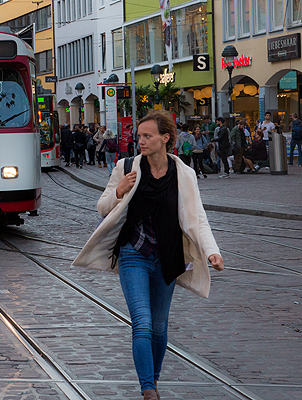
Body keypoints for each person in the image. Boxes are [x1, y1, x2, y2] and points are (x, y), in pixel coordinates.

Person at [72, 111, 224, 400]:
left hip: (167, 257)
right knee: (141, 321)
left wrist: (212, 252)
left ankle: (152, 378)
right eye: (139, 135)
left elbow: (198, 218)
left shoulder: (184, 174)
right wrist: (119, 190)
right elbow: (102, 206)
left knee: (159, 326)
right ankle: (148, 389)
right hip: (134, 254)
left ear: (165, 138)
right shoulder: (126, 167)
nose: (140, 140)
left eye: (147, 136)